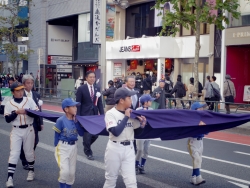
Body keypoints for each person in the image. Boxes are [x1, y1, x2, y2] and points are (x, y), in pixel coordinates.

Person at [103, 87, 147, 188]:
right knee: (110, 180)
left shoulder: (133, 113)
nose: (131, 100)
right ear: (121, 100)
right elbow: (115, 132)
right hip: (114, 148)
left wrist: (142, 125)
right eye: (129, 98)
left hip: (129, 148)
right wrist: (126, 117)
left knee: (131, 182)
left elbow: (137, 133)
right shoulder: (110, 113)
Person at [4, 82, 39, 187]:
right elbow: (7, 119)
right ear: (13, 92)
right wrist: (16, 112)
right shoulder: (9, 103)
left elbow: (37, 114)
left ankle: (31, 171)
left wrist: (27, 112)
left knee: (29, 153)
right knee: (14, 153)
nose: (20, 92)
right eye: (18, 90)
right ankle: (9, 178)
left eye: (22, 90)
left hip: (29, 129)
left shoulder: (29, 100)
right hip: (16, 130)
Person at [53, 98, 84, 188]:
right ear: (66, 109)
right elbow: (56, 133)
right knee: (64, 171)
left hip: (73, 147)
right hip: (63, 147)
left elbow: (81, 134)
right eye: (73, 106)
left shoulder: (76, 120)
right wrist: (56, 146)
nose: (76, 108)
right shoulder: (61, 120)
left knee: (71, 173)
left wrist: (77, 123)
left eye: (76, 106)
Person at [76, 71, 104, 160]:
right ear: (86, 78)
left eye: (93, 77)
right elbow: (78, 103)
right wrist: (78, 116)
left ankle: (86, 144)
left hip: (94, 115)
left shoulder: (97, 88)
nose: (92, 79)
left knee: (95, 134)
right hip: (85, 115)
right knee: (87, 134)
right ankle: (88, 152)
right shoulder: (81, 89)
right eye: (90, 77)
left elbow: (99, 103)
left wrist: (102, 115)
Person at [20, 74, 44, 170]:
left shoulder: (36, 94)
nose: (30, 85)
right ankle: (24, 160)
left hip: (35, 122)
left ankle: (28, 156)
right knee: (24, 142)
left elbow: (39, 109)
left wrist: (41, 122)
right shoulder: (21, 94)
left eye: (31, 83)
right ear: (24, 84)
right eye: (28, 83)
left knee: (35, 141)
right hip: (24, 122)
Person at [188, 102, 206, 185]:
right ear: (195, 110)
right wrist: (198, 127)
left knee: (199, 160)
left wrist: (204, 127)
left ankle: (193, 177)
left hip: (200, 141)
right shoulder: (191, 120)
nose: (202, 109)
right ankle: (198, 177)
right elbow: (190, 131)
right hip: (192, 141)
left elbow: (206, 132)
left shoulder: (202, 118)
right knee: (197, 159)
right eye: (200, 108)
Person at [135, 94, 154, 175]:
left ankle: (142, 165)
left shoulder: (152, 110)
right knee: (139, 149)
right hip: (140, 132)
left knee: (146, 149)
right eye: (150, 101)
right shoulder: (138, 110)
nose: (151, 102)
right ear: (145, 102)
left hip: (148, 132)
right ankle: (136, 165)